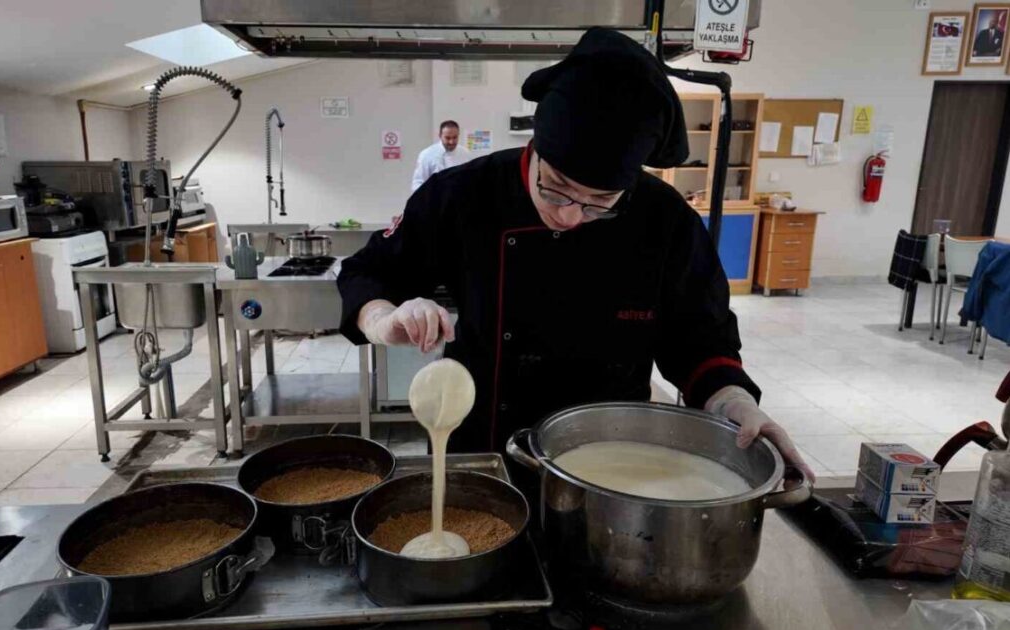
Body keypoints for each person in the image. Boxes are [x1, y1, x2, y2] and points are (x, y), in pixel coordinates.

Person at [339, 28, 813, 480]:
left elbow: (699, 337)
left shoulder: (664, 219)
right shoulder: (462, 195)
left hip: (612, 455)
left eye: (599, 203)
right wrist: (385, 319)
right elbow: (368, 272)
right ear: (536, 148)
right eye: (557, 188)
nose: (568, 216)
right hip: (483, 447)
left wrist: (734, 403)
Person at [410, 120, 472, 192]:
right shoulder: (427, 155)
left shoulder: (465, 154)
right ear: (440, 136)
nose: (451, 142)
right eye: (447, 138)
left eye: (455, 137)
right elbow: (418, 182)